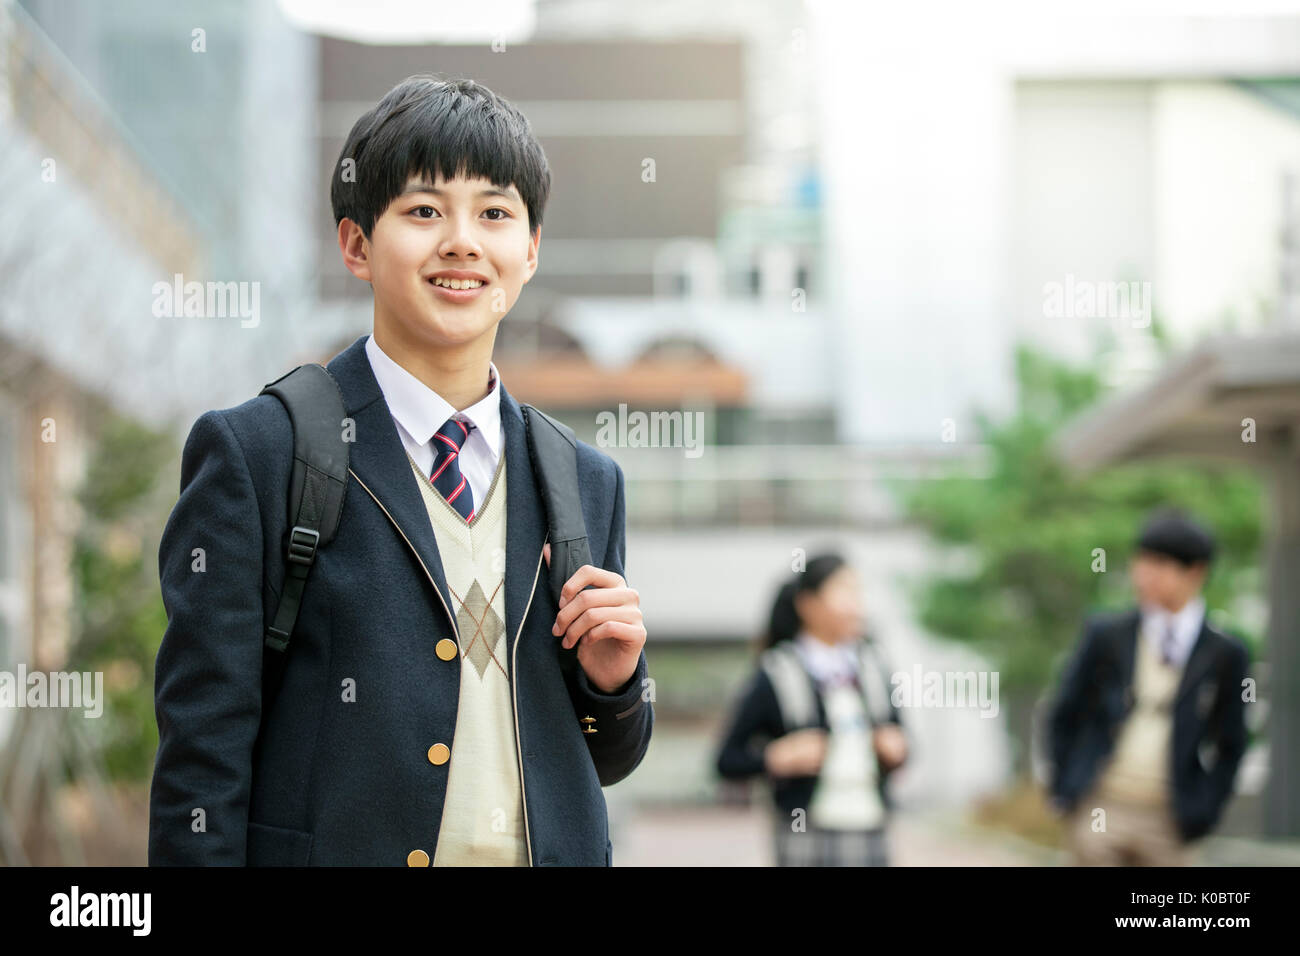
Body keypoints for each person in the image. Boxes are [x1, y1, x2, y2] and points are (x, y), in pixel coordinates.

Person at [148, 76, 652, 866]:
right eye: (423, 211)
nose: (462, 241)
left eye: (494, 213)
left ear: (530, 250)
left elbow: (603, 759)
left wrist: (613, 685)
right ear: (356, 245)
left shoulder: (583, 478)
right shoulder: (258, 455)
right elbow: (200, 764)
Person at [1044, 509, 1250, 866]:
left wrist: (1206, 809)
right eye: (1141, 562)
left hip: (1172, 817)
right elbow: (1065, 711)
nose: (1143, 576)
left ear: (1194, 572)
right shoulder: (1107, 634)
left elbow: (1231, 741)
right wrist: (1065, 789)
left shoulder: (1224, 652)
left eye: (1158, 565)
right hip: (1101, 805)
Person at [715, 552, 908, 865]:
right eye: (843, 591)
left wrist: (896, 748)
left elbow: (903, 740)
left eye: (857, 591)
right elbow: (727, 760)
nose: (856, 604)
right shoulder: (777, 671)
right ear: (808, 604)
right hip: (803, 832)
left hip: (871, 825)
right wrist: (775, 758)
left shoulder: (873, 666)